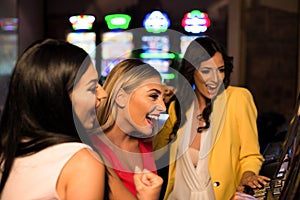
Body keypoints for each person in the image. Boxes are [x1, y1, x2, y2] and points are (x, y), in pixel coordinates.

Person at [0, 39, 161, 200]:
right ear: (59, 97)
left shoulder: (9, 152)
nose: (104, 94)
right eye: (92, 87)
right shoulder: (83, 161)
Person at [153, 36, 270, 200]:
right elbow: (156, 152)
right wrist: (158, 104)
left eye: (220, 70)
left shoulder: (237, 99)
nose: (215, 79)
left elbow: (250, 154)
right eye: (206, 71)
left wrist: (248, 175)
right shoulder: (178, 106)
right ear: (191, 70)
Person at [91, 58, 166, 199]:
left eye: (163, 98)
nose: (163, 107)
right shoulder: (91, 149)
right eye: (153, 96)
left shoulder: (147, 143)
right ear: (120, 97)